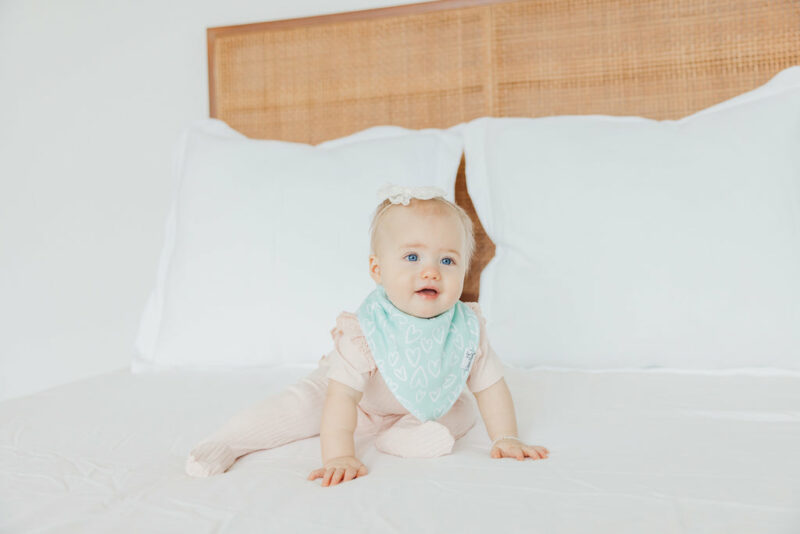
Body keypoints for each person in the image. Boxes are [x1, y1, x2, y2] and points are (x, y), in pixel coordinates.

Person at [186, 184, 549, 486]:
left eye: (447, 260)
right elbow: (342, 398)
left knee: (462, 408)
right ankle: (227, 442)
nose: (431, 272)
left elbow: (490, 386)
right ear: (377, 269)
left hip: (418, 402)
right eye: (412, 257)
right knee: (297, 408)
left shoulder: (467, 328)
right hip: (351, 399)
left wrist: (506, 437)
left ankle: (403, 435)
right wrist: (340, 455)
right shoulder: (367, 330)